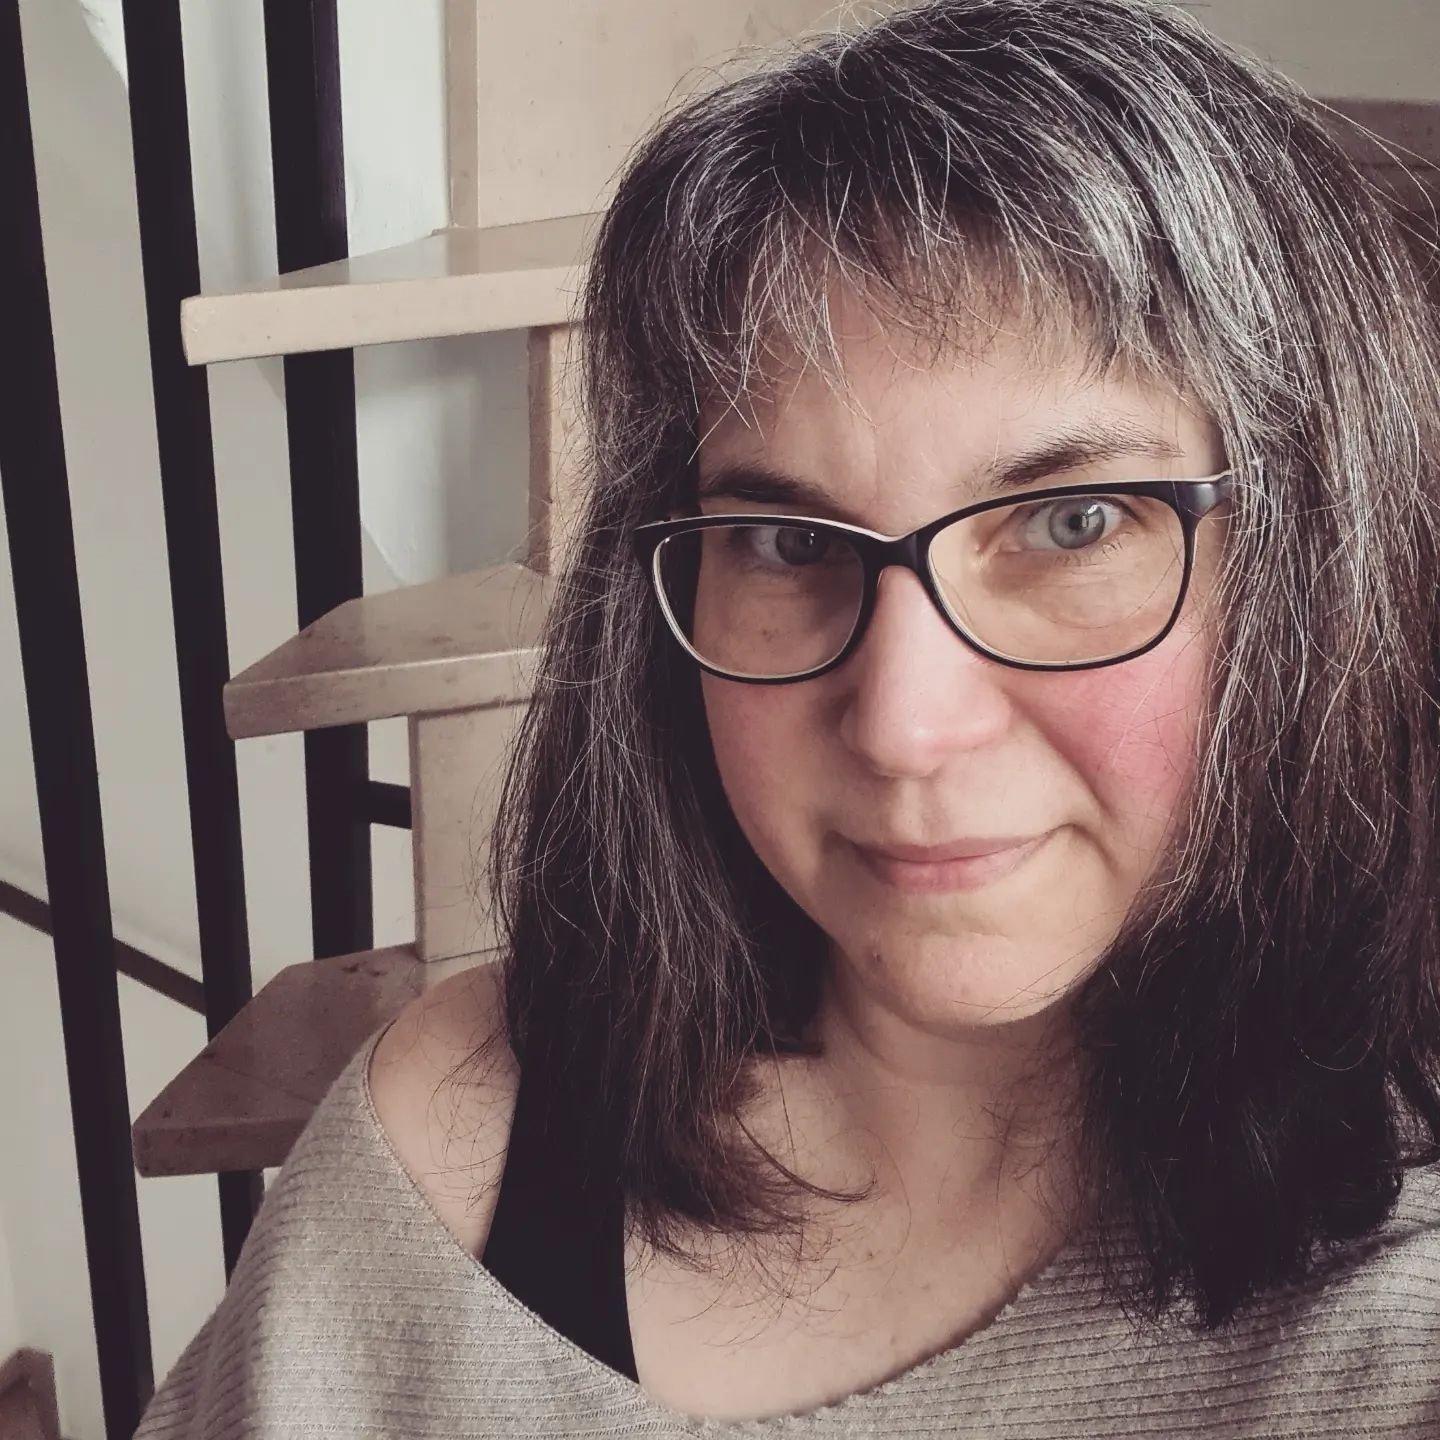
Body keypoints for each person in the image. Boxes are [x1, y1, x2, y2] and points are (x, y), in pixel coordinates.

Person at [135, 0, 1440, 1434]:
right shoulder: (455, 1146)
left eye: (1072, 523)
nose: (901, 727)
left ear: (1310, 568)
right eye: (791, 542)